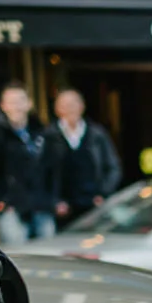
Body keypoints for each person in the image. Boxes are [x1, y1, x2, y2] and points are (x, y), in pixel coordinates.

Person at [0, 82, 56, 245]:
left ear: (29, 104)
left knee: (49, 254)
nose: (16, 106)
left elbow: (53, 168)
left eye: (20, 101)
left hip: (42, 206)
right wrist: (1, 200)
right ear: (3, 106)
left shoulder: (42, 131)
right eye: (11, 102)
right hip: (12, 208)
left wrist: (52, 198)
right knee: (19, 256)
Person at [45, 88, 122, 225]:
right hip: (62, 209)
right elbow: (41, 174)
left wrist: (103, 193)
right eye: (65, 105)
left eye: (74, 104)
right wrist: (54, 201)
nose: (70, 109)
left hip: (94, 204)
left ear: (82, 106)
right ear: (57, 109)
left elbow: (113, 167)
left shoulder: (97, 134)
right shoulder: (48, 137)